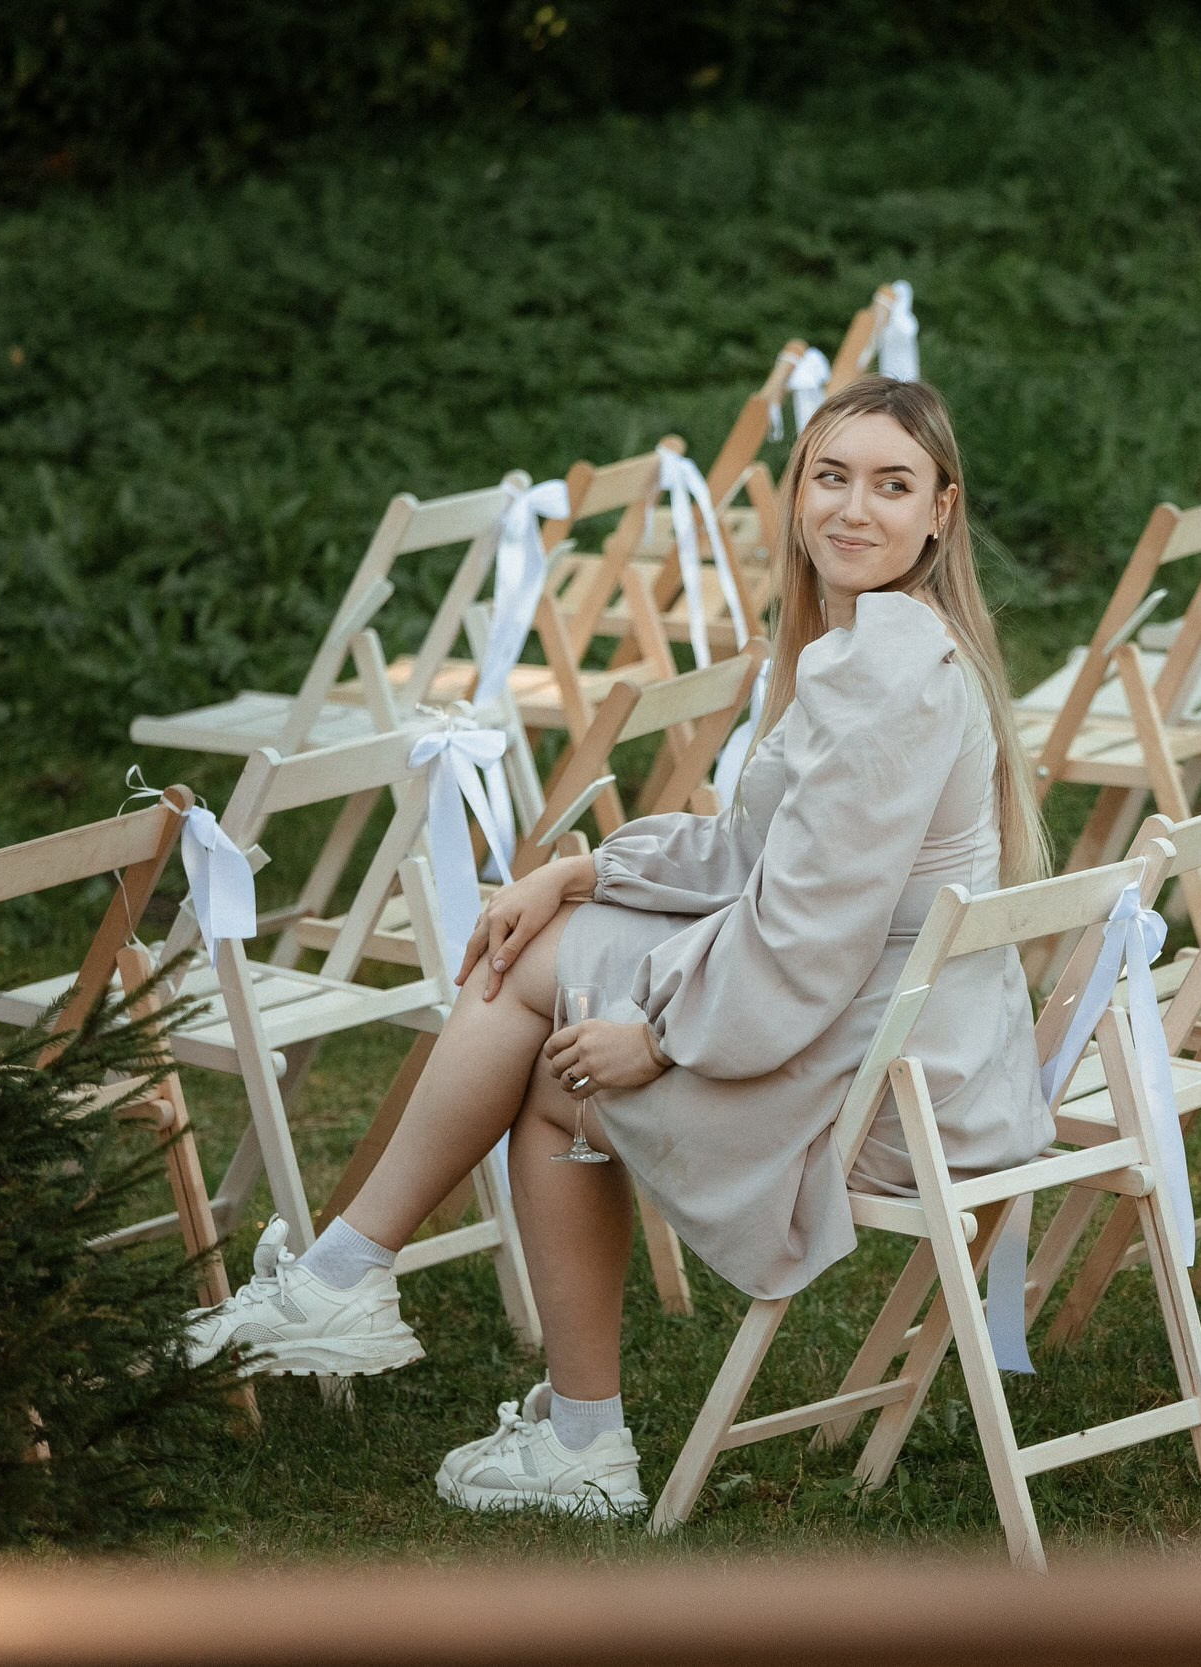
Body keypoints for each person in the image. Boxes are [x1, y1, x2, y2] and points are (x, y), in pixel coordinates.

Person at [184, 377, 1053, 1518]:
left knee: (543, 1027)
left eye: (891, 485)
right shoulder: (876, 643)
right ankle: (403, 1314)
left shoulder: (884, 671)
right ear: (797, 498)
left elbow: (811, 926)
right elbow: (758, 852)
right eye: (831, 476)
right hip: (900, 1043)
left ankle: (381, 1299)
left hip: (882, 1090)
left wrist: (660, 1032)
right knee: (547, 989)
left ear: (940, 510)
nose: (854, 508)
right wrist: (583, 869)